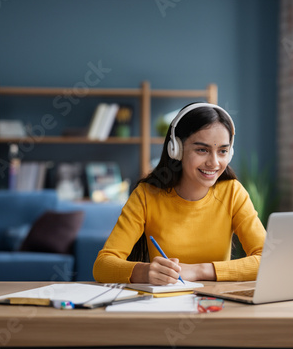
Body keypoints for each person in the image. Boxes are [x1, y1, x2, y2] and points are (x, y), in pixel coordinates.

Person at [93, 102, 266, 285]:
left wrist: (199, 270)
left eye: (222, 151)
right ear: (176, 149)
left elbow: (267, 259)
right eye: (202, 150)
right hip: (165, 306)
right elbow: (102, 266)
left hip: (215, 305)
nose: (214, 162)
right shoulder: (146, 195)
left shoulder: (232, 192)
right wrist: (144, 272)